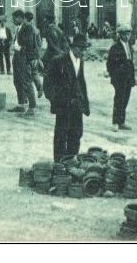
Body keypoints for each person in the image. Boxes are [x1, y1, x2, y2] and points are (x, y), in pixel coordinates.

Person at [44, 33, 90, 162]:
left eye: (84, 49)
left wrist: (85, 103)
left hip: (77, 104)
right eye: (81, 48)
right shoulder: (59, 60)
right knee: (61, 134)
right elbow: (48, 81)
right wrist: (54, 98)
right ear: (73, 47)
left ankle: (71, 160)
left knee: (76, 133)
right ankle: (59, 162)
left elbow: (81, 82)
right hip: (63, 104)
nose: (83, 51)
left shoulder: (80, 61)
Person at [8, 9, 39, 116]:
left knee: (26, 81)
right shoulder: (19, 28)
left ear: (20, 18)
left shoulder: (28, 28)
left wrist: (18, 48)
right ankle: (21, 104)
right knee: (17, 81)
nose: (13, 20)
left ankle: (32, 106)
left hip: (24, 58)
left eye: (14, 18)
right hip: (17, 58)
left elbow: (29, 45)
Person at [106, 23, 136, 132]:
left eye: (128, 34)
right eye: (125, 34)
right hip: (119, 78)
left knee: (125, 99)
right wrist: (115, 75)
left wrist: (132, 78)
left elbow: (131, 63)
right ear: (120, 35)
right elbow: (110, 64)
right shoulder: (115, 47)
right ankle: (115, 122)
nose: (127, 36)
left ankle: (122, 122)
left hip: (128, 77)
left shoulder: (129, 46)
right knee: (119, 99)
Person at [25, 11, 44, 97]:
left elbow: (28, 44)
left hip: (30, 55)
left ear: (26, 19)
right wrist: (38, 56)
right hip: (35, 55)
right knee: (34, 73)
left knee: (29, 75)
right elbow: (39, 44)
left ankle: (28, 95)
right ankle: (39, 88)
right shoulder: (36, 29)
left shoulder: (28, 29)